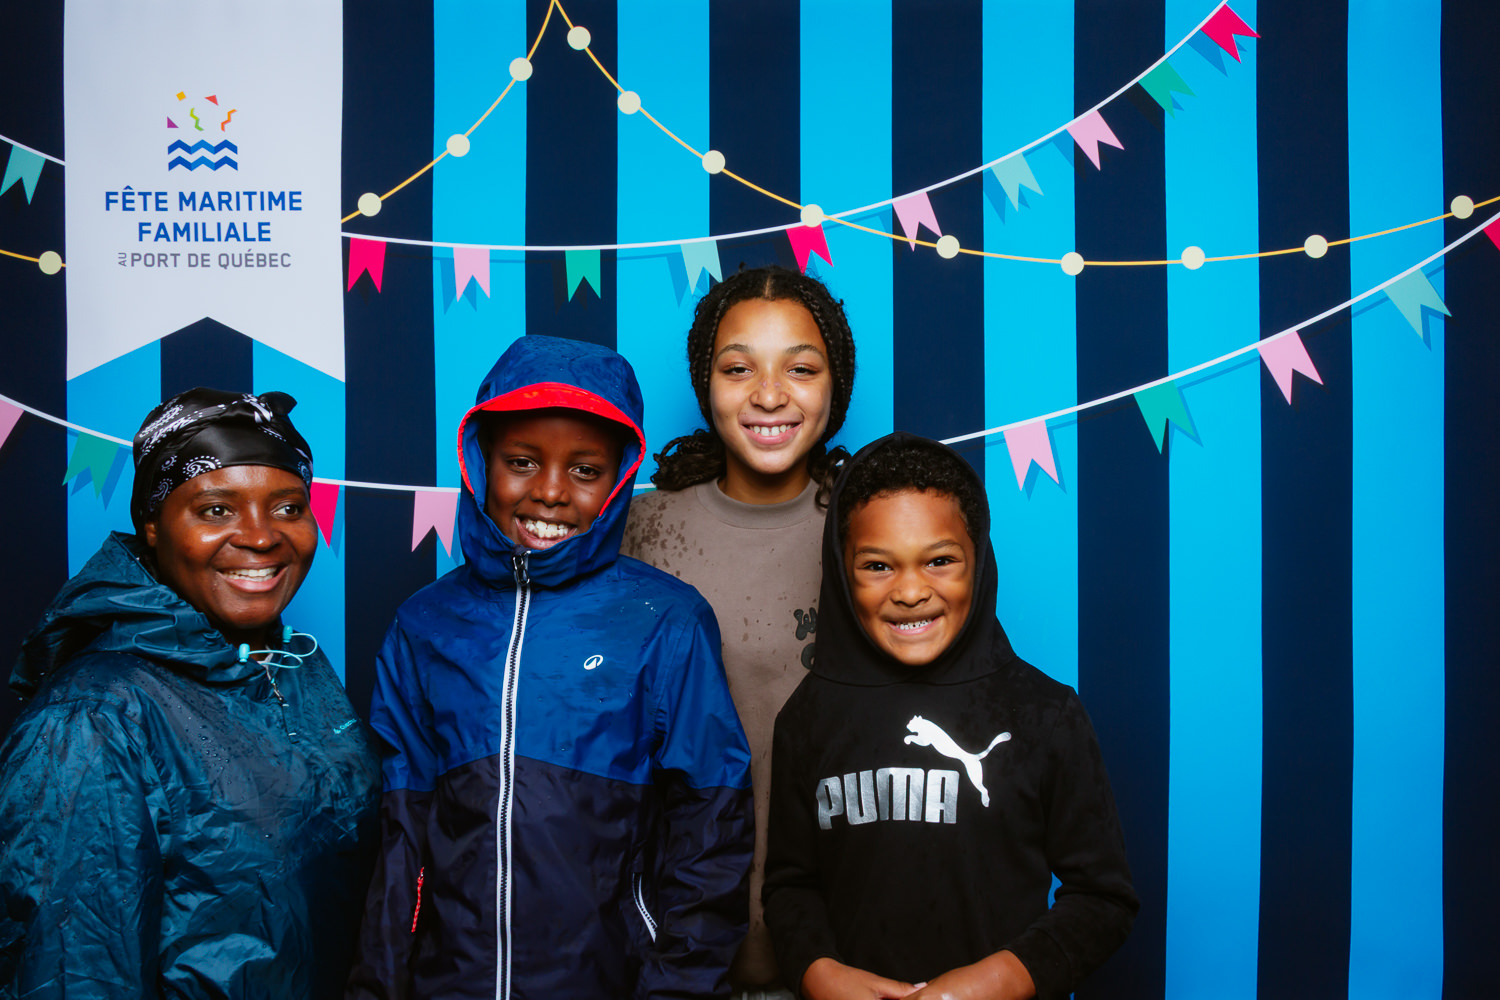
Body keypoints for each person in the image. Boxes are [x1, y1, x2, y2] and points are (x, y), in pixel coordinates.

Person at [348, 334, 754, 1000]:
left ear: (619, 479)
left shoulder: (665, 621)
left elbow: (710, 834)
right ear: (480, 462)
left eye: (585, 470)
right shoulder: (424, 625)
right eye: (522, 462)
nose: (550, 492)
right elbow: (401, 846)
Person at [0, 388, 380, 999]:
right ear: (152, 525)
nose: (261, 537)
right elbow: (75, 972)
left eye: (287, 508)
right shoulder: (94, 719)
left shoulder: (295, 666)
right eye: (215, 510)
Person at [763, 434, 1138, 1000]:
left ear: (978, 561)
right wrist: (820, 973)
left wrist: (999, 980)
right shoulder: (807, 717)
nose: (911, 591)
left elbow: (1103, 898)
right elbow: (790, 885)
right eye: (878, 566)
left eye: (940, 561)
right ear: (841, 574)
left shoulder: (1045, 712)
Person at [621, 265, 858, 999]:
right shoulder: (640, 532)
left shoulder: (875, 533)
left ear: (837, 385)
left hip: (846, 959)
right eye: (739, 368)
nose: (769, 394)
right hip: (669, 962)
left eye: (800, 368)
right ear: (705, 382)